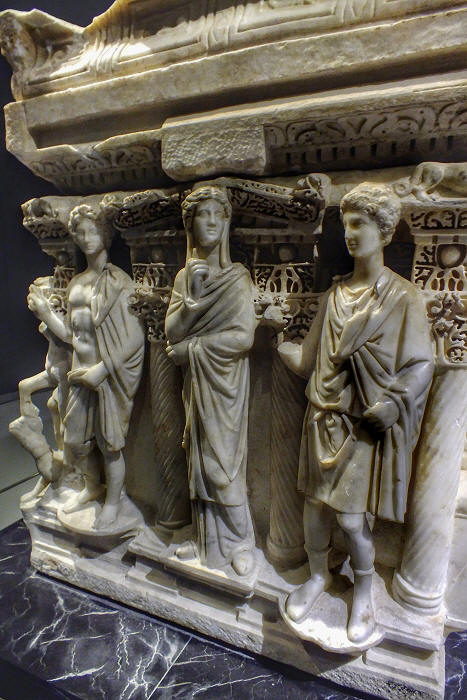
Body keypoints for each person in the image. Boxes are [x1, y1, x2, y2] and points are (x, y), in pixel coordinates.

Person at [277, 183, 433, 643]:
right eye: (346, 225)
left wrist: (393, 403)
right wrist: (277, 342)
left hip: (361, 425)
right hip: (321, 416)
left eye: (359, 224)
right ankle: (318, 576)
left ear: (384, 232)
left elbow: (421, 364)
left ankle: (363, 592)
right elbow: (309, 361)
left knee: (350, 518)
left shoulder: (403, 297)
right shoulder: (335, 296)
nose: (350, 234)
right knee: (313, 508)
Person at [27, 201, 145, 529]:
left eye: (92, 231)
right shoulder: (76, 283)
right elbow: (71, 335)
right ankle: (92, 488)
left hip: (107, 376)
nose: (86, 238)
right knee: (75, 442)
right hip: (80, 372)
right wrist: (45, 313)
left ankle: (114, 501)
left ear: (105, 235)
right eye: (79, 232)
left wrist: (103, 369)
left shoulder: (119, 282)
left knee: (110, 446)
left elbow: (135, 337)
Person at [165, 185, 257, 576]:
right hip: (196, 385)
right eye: (203, 214)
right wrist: (192, 302)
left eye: (218, 214)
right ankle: (207, 543)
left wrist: (192, 349)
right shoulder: (184, 278)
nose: (212, 222)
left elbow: (243, 337)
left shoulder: (237, 278)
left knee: (223, 466)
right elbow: (171, 332)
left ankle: (241, 540)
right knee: (198, 463)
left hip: (226, 384)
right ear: (190, 225)